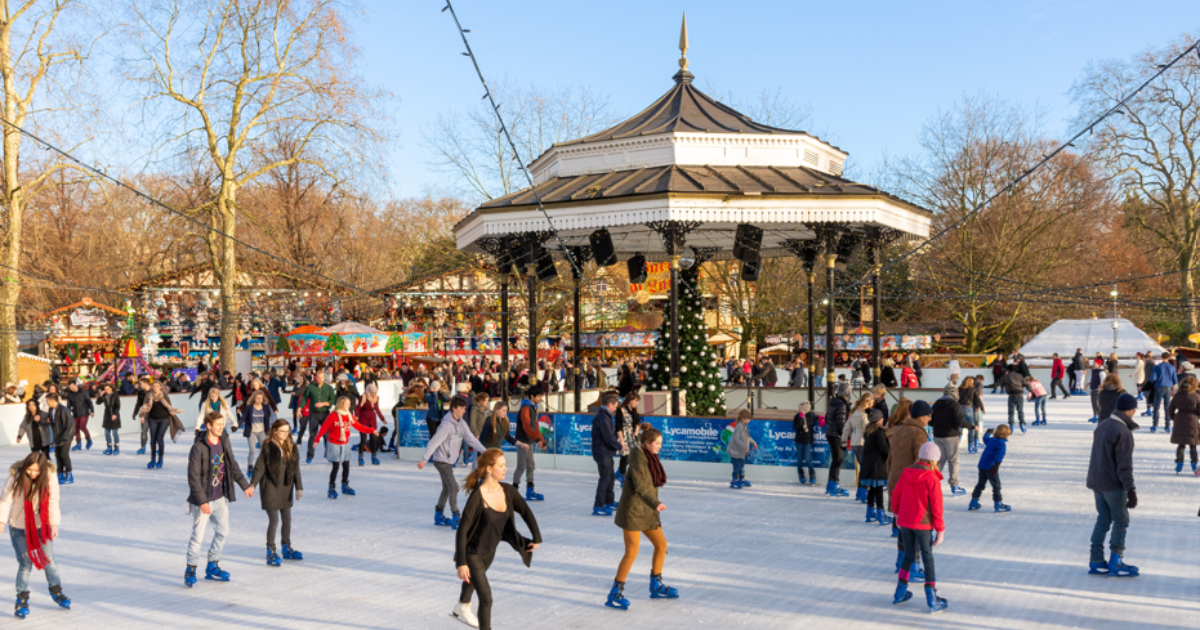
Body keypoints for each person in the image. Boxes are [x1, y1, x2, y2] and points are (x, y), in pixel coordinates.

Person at [452, 449, 542, 630]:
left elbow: (525, 511)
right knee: (486, 598)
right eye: (501, 465)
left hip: (489, 551)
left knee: (473, 579)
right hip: (472, 553)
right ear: (488, 469)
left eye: (505, 465)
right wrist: (461, 562)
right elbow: (462, 530)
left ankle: (462, 605)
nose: (505, 469)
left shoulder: (507, 491)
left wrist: (536, 537)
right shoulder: (478, 497)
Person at [605, 423, 677, 610]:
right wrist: (655, 503)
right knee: (631, 552)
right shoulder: (638, 460)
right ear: (646, 443)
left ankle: (656, 585)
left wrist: (653, 505)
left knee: (661, 545)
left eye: (661, 443)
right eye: (657, 443)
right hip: (633, 512)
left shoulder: (651, 458)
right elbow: (641, 487)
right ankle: (615, 592)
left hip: (646, 511)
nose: (659, 446)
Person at [185, 411, 253, 587]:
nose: (221, 428)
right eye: (218, 425)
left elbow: (232, 464)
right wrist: (202, 501)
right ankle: (191, 569)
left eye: (223, 425)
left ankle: (212, 566)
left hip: (220, 497)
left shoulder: (223, 440)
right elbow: (193, 477)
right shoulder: (199, 447)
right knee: (198, 537)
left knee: (223, 531)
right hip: (203, 500)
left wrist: (244, 485)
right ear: (209, 425)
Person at [0, 452, 69, 618]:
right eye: (30, 470)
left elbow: (53, 500)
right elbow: (5, 500)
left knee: (49, 560)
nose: (32, 474)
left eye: (37, 471)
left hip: (41, 525)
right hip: (18, 526)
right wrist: (1, 521)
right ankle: (21, 600)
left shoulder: (50, 475)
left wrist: (53, 523)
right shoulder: (16, 475)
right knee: (25, 563)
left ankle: (56, 590)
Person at [1086, 393, 1139, 577]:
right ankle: (1116, 561)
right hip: (1113, 485)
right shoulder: (1123, 432)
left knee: (1103, 519)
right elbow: (1124, 465)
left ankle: (1096, 559)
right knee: (1121, 521)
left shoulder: (1102, 425)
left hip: (1097, 481)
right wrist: (1131, 489)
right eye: (1134, 409)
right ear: (1130, 410)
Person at [891, 441, 948, 614]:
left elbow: (896, 496)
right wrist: (940, 529)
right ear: (934, 460)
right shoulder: (931, 478)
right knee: (927, 557)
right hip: (923, 524)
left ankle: (899, 592)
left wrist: (898, 513)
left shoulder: (906, 473)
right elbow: (937, 506)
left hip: (905, 522)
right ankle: (931, 597)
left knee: (908, 556)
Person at [418, 397, 486, 529]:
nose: (463, 411)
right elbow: (434, 442)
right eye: (461, 409)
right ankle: (456, 517)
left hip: (448, 461)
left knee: (447, 488)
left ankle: (439, 515)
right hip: (441, 460)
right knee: (454, 487)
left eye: (464, 409)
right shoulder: (446, 425)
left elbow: (471, 440)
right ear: (454, 409)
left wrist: (485, 451)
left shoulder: (461, 423)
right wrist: (424, 459)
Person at [249, 419, 304, 567]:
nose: (285, 434)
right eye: (282, 431)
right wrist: (252, 485)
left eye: (287, 431)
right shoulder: (268, 447)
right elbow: (259, 468)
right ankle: (271, 551)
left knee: (287, 519)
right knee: (274, 521)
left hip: (285, 488)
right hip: (270, 488)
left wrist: (299, 487)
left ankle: (286, 547)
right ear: (275, 431)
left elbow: (296, 469)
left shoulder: (292, 446)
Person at [887, 399, 931, 578]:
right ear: (921, 416)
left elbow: (890, 459)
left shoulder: (898, 430)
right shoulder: (919, 434)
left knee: (902, 524)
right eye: (928, 416)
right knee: (916, 525)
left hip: (896, 481)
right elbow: (922, 464)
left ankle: (901, 562)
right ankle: (912, 565)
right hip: (911, 485)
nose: (929, 419)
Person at [314, 396, 375, 500]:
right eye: (347, 404)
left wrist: (371, 430)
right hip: (334, 443)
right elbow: (324, 428)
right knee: (336, 466)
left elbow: (358, 426)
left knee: (346, 465)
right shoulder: (333, 416)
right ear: (341, 404)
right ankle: (331, 488)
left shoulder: (349, 415)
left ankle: (344, 486)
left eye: (349, 404)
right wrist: (317, 439)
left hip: (345, 443)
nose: (349, 406)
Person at [930, 387, 971, 497]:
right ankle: (954, 486)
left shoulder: (936, 404)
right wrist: (971, 426)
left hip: (938, 435)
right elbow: (960, 421)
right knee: (953, 461)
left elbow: (931, 421)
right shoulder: (954, 404)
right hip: (951, 436)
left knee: (939, 461)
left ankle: (932, 484)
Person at [590, 394, 625, 515]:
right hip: (602, 452)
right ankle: (598, 505)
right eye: (615, 406)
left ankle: (609, 501)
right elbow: (608, 438)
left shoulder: (605, 416)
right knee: (605, 478)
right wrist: (619, 446)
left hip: (606, 452)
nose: (615, 409)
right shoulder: (603, 418)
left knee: (610, 478)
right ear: (610, 405)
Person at [513, 387, 547, 502]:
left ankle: (530, 490)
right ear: (532, 396)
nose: (541, 398)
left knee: (531, 465)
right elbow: (526, 426)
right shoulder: (525, 408)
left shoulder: (534, 407)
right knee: (521, 466)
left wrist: (541, 440)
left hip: (530, 440)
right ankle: (514, 492)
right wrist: (537, 440)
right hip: (522, 441)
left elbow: (535, 426)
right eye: (539, 396)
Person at [139, 382, 182, 470]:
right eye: (154, 386)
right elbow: (144, 407)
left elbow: (169, 406)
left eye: (157, 386)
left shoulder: (164, 396)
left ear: (160, 388)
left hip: (164, 419)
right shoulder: (149, 396)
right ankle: (153, 459)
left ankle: (160, 459)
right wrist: (143, 416)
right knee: (153, 439)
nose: (155, 388)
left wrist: (172, 411)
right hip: (152, 419)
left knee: (159, 438)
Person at [969, 425, 1012, 512]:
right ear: (1005, 434)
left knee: (980, 484)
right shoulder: (1001, 443)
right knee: (996, 485)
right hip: (991, 467)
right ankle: (998, 503)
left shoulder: (992, 440)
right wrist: (996, 465)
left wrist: (988, 433)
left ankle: (973, 502)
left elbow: (985, 439)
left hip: (982, 465)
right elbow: (999, 455)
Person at [297, 371, 336, 464]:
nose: (320, 380)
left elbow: (333, 400)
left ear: (324, 377)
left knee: (327, 435)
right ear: (316, 377)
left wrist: (323, 403)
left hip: (325, 414)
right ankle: (309, 456)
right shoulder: (310, 387)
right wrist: (299, 408)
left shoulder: (329, 388)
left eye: (322, 378)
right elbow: (304, 398)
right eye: (318, 378)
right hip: (313, 414)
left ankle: (329, 455)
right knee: (312, 435)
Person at [861, 409, 891, 525]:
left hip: (868, 464)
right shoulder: (879, 432)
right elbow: (884, 448)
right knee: (878, 490)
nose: (883, 419)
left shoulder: (868, 431)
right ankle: (880, 514)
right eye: (881, 418)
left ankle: (869, 513)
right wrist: (889, 455)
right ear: (878, 420)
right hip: (877, 465)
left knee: (872, 489)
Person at [824, 382, 851, 497]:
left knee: (836, 460)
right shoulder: (841, 405)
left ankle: (831, 485)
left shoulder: (833, 403)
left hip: (831, 434)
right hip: (836, 435)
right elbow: (842, 423)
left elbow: (827, 418)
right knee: (838, 460)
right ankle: (834, 485)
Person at [1168, 377, 1200, 474]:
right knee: (1193, 444)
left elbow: (1170, 409)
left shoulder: (1177, 396)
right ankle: (1194, 462)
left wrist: (1174, 418)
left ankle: (1179, 462)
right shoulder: (1197, 396)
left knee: (1181, 444)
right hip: (1192, 420)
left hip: (1179, 419)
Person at [240, 390, 276, 476]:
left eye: (261, 398)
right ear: (254, 398)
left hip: (262, 431)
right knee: (252, 450)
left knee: (264, 449)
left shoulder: (265, 407)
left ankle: (265, 466)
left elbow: (267, 419)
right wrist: (236, 425)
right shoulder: (249, 407)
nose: (259, 400)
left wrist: (269, 430)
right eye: (257, 398)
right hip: (252, 431)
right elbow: (243, 417)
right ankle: (250, 467)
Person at [356, 384, 387, 467]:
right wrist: (356, 416)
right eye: (372, 392)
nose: (374, 394)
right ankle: (360, 457)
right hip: (363, 421)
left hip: (372, 421)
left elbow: (377, 409)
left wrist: (382, 418)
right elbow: (358, 408)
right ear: (368, 392)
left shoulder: (376, 398)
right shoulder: (362, 398)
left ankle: (374, 457)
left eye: (375, 392)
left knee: (373, 440)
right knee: (363, 440)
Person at [44, 396, 73, 486]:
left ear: (53, 401)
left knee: (64, 455)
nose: (47, 403)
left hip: (65, 437)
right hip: (57, 437)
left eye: (48, 401)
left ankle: (69, 473)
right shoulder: (51, 410)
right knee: (58, 455)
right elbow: (53, 422)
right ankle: (60, 473)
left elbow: (69, 425)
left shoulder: (64, 410)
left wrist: (66, 437)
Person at [727, 410, 758, 490]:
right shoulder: (739, 427)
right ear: (743, 418)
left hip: (741, 451)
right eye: (748, 418)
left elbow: (747, 437)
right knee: (737, 466)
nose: (749, 420)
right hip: (735, 450)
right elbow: (737, 439)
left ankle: (741, 479)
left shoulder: (744, 426)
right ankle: (734, 480)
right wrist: (745, 447)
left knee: (741, 465)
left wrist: (753, 443)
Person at [1149, 351, 1178, 433]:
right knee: (1167, 407)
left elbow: (1152, 379)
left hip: (1158, 387)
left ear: (1161, 357)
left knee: (1156, 407)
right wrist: (1173, 390)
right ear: (1168, 358)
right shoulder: (1172, 368)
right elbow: (1175, 381)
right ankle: (1167, 426)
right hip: (1168, 388)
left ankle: (1155, 425)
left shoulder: (1157, 367)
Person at [615, 394, 641, 482]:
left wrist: (637, 429)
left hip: (632, 435)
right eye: (636, 401)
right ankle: (622, 475)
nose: (637, 403)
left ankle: (619, 472)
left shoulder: (635, 410)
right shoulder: (621, 410)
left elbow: (637, 422)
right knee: (625, 455)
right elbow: (618, 426)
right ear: (630, 400)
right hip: (623, 434)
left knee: (633, 455)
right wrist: (621, 441)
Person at [62, 383, 93, 452]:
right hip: (75, 413)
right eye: (70, 387)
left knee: (82, 427)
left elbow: (89, 402)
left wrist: (92, 411)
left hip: (84, 413)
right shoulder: (69, 394)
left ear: (76, 385)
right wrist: (68, 413)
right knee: (75, 428)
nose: (71, 389)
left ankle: (88, 439)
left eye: (72, 387)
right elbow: (69, 405)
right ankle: (78, 443)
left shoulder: (84, 392)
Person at [793, 401, 817, 486]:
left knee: (807, 458)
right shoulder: (797, 416)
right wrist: (800, 418)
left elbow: (816, 416)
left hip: (807, 440)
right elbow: (796, 428)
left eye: (800, 408)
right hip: (799, 440)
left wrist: (821, 418)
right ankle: (800, 472)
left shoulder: (811, 414)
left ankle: (812, 473)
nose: (799, 409)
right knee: (800, 458)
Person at [957, 377, 984, 453]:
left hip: (959, 409)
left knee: (959, 426)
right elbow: (977, 399)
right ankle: (970, 447)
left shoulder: (959, 389)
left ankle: (957, 445)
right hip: (968, 409)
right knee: (970, 427)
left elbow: (955, 398)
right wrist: (982, 408)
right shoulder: (973, 390)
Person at [998, 365, 1027, 432]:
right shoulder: (1019, 376)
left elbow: (999, 382)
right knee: (1020, 410)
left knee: (1011, 411)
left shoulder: (1007, 376)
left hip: (1012, 395)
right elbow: (1025, 384)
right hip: (1020, 395)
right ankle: (1022, 423)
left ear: (1008, 370)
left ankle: (1011, 425)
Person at [96, 383, 121, 456]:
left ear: (111, 388)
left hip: (114, 416)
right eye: (105, 389)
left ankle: (116, 447)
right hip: (107, 416)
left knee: (115, 432)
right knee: (107, 432)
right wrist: (100, 396)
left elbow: (118, 406)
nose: (107, 390)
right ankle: (109, 447)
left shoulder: (115, 396)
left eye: (108, 389)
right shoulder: (104, 395)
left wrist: (115, 414)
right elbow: (97, 403)